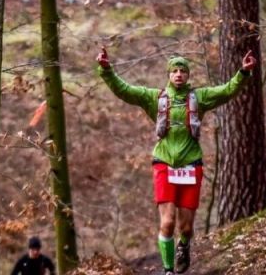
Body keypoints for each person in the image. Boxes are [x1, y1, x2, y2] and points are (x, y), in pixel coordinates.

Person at [96, 47, 256, 274]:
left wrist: (243, 72)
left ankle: (184, 245)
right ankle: (169, 270)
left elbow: (226, 91)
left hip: (191, 164)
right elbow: (125, 91)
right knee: (168, 222)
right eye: (175, 71)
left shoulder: (199, 98)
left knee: (187, 227)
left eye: (183, 70)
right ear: (168, 75)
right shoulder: (155, 98)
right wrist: (106, 69)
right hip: (163, 163)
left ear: (188, 74)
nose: (179, 74)